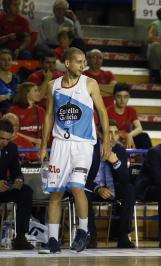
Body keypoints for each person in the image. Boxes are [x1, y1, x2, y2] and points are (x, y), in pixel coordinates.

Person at [38, 47, 110, 254]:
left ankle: (82, 232)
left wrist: (106, 142)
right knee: (56, 194)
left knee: (77, 187)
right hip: (60, 144)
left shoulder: (90, 83)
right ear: (67, 63)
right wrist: (44, 145)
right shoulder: (53, 86)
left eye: (84, 61)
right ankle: (52, 240)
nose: (83, 65)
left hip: (84, 144)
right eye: (79, 61)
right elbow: (48, 116)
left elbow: (103, 112)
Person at [85, 120, 135, 248]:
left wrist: (116, 162)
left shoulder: (120, 150)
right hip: (93, 188)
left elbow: (125, 179)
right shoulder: (90, 149)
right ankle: (91, 237)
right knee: (83, 194)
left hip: (112, 189)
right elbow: (82, 177)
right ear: (100, 135)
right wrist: (97, 188)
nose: (113, 136)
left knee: (129, 189)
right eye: (109, 133)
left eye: (116, 132)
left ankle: (123, 236)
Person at [0, 119, 34, 250]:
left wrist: (19, 180)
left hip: (3, 187)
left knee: (26, 192)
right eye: (1, 138)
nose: (5, 142)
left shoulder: (11, 147)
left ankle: (20, 237)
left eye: (7, 139)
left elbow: (17, 172)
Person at [106, 83, 152, 149]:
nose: (122, 100)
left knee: (144, 136)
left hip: (127, 138)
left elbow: (139, 128)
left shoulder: (131, 110)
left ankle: (150, 158)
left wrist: (129, 135)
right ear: (114, 97)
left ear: (129, 97)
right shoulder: (107, 111)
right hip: (113, 138)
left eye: (125, 96)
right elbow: (104, 131)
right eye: (119, 96)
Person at [8, 82, 45, 148]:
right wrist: (34, 140)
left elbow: (44, 130)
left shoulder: (40, 110)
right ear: (27, 93)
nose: (38, 93)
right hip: (20, 145)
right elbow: (11, 132)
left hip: (38, 146)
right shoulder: (13, 111)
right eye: (35, 91)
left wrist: (42, 142)